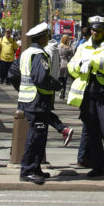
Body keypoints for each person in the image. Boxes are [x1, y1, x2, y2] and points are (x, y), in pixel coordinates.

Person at [67, 15, 104, 181]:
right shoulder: (83, 46)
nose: (95, 33)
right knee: (92, 132)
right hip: (88, 93)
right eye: (93, 29)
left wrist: (91, 61)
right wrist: (80, 65)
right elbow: (71, 67)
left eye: (98, 30)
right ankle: (98, 166)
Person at [18, 22, 70, 185]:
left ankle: (35, 168)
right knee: (36, 137)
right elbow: (41, 79)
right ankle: (28, 170)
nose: (48, 38)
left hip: (29, 100)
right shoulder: (39, 55)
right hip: (37, 100)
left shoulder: (27, 52)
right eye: (47, 35)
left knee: (38, 136)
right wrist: (57, 84)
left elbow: (14, 72)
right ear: (41, 38)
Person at [56, 33, 73, 100]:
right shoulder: (69, 48)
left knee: (59, 78)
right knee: (65, 80)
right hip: (66, 63)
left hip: (59, 63)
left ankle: (60, 89)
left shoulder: (58, 46)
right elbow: (72, 57)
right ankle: (63, 92)